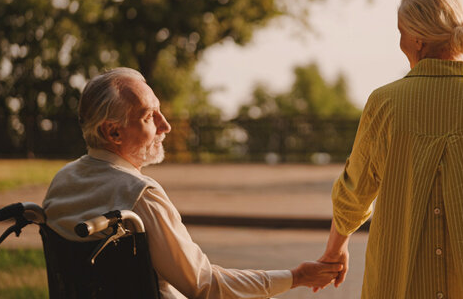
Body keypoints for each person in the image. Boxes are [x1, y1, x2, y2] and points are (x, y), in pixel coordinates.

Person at [318, 0, 463, 298]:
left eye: (401, 32)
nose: (400, 41)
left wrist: (334, 251)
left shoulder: (385, 103)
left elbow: (355, 191)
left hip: (395, 287)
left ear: (418, 38)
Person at [43, 67, 342, 299]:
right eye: (149, 116)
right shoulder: (138, 195)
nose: (166, 125)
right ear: (114, 133)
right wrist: (296, 277)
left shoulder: (62, 182)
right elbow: (205, 286)